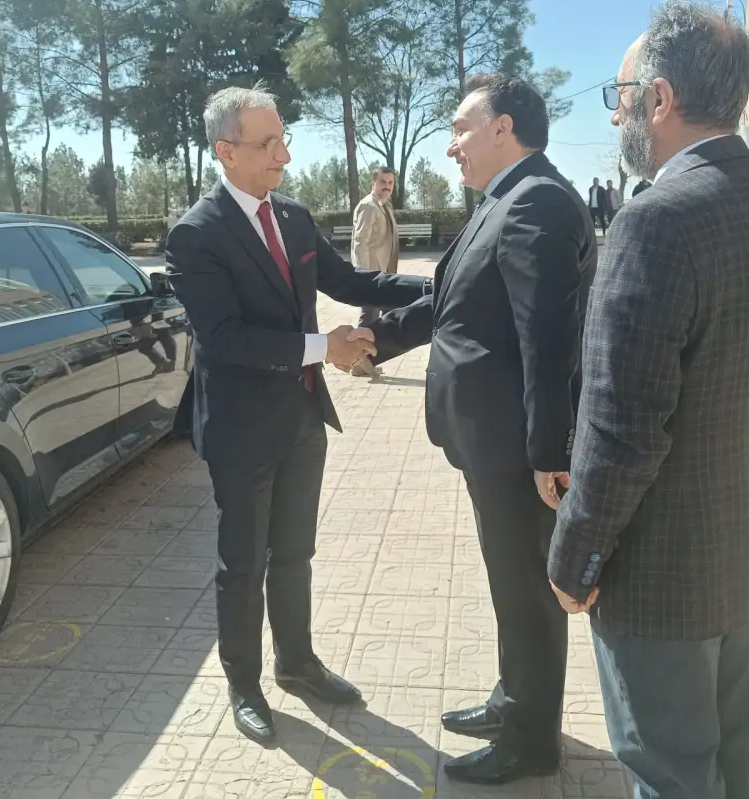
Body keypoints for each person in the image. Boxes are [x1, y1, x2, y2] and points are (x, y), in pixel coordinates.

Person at [548, 0, 749, 799]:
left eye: (622, 94)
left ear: (659, 99)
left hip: (663, 570)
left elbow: (623, 431)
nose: (617, 113)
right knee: (733, 762)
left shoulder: (654, 222)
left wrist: (573, 555)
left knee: (671, 775)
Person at [164, 85, 430, 745]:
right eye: (268, 144)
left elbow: (353, 283)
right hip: (242, 430)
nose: (283, 154)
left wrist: (445, 283)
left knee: (295, 554)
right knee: (242, 563)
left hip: (302, 419)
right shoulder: (196, 234)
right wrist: (323, 347)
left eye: (284, 139)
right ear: (226, 152)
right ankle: (244, 683)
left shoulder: (293, 216)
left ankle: (298, 664)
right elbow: (224, 338)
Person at [368, 73, 597, 786]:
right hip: (489, 442)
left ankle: (532, 740)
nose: (451, 146)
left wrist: (548, 452)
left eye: (461, 128)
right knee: (510, 580)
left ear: (504, 129)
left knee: (527, 586)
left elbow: (547, 342)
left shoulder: (539, 203)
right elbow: (454, 302)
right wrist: (376, 339)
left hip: (516, 449)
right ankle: (513, 697)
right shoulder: (505, 198)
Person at [349, 166, 399, 378]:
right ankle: (357, 362)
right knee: (369, 316)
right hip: (372, 274)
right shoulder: (369, 206)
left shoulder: (383, 205)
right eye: (383, 182)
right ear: (373, 183)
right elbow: (360, 243)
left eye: (390, 183)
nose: (387, 186)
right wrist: (365, 276)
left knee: (375, 317)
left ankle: (363, 361)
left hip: (383, 273)